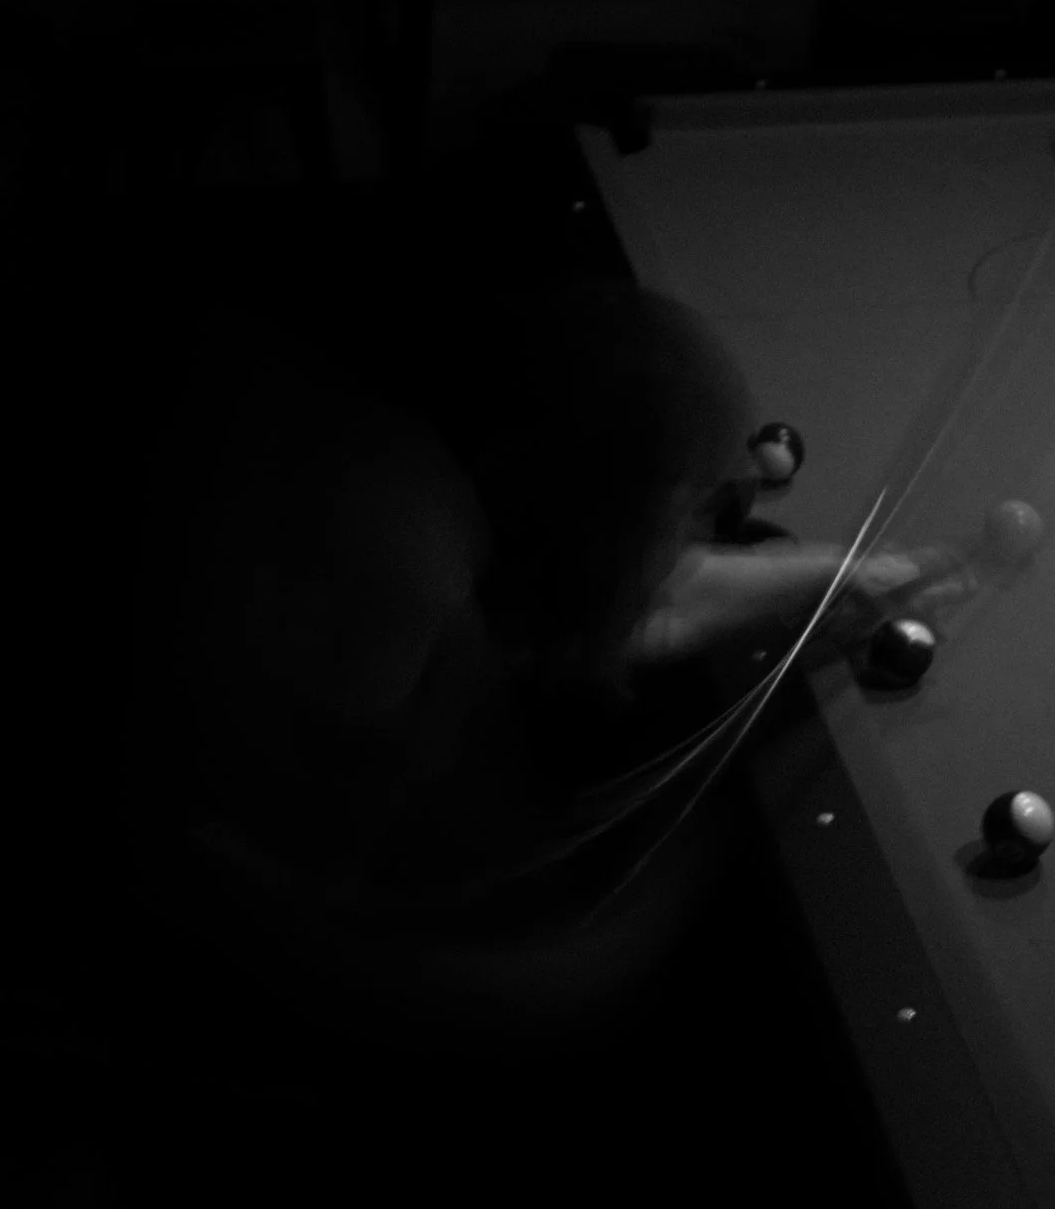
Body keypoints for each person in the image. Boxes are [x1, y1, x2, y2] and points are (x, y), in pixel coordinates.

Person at [114, 271, 963, 1067]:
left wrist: (833, 574)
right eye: (685, 504)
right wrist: (640, 925)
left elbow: (635, 592)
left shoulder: (451, 496)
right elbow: (287, 943)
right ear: (599, 510)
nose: (697, 529)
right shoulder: (389, 579)